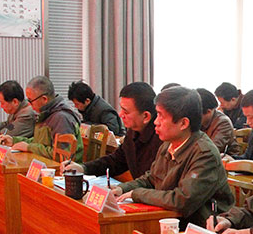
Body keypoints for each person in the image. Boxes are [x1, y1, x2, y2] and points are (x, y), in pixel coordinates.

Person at [113, 86, 234, 226]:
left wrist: (137, 194)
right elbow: (152, 179)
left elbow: (182, 200)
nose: (156, 122)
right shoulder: (168, 144)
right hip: (172, 220)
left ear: (183, 123)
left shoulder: (204, 154)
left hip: (201, 227)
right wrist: (122, 189)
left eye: (161, 116)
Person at [61, 82, 163, 179]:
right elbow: (116, 161)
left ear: (146, 116)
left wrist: (124, 188)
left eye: (126, 111)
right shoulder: (133, 132)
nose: (120, 114)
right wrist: (83, 168)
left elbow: (150, 182)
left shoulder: (161, 140)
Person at [0, 76, 84, 162]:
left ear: (44, 99)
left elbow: (62, 156)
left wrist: (29, 147)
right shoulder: (46, 113)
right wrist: (14, 141)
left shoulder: (61, 118)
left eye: (31, 100)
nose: (29, 104)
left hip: (60, 168)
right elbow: (39, 141)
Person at [197, 88, 238, 155]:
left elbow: (211, 151)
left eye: (196, 115)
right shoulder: (197, 121)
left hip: (227, 159)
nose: (192, 118)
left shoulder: (223, 123)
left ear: (208, 112)